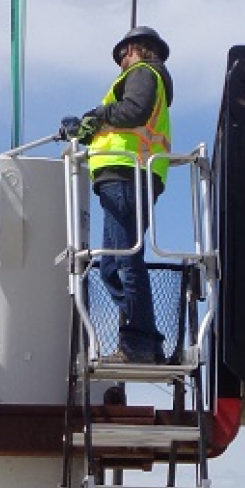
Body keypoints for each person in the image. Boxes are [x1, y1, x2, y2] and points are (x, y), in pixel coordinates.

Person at [61, 25, 173, 364]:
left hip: (127, 173)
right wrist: (86, 129)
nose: (122, 59)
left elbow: (133, 112)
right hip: (124, 175)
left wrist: (94, 117)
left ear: (140, 49)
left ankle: (137, 345)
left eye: (125, 52)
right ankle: (147, 339)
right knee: (111, 264)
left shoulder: (143, 73)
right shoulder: (143, 77)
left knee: (125, 262)